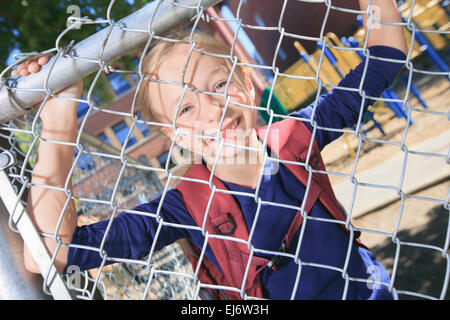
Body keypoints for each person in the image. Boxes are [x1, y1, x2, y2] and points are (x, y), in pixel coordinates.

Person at [21, 0, 407, 299]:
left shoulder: (295, 137)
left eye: (219, 85)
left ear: (247, 82)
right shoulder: (185, 206)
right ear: (172, 135)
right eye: (185, 108)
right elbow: (53, 251)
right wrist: (59, 114)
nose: (212, 108)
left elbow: (385, 56)